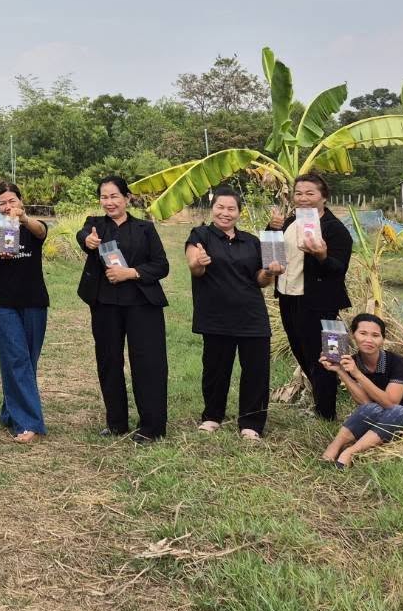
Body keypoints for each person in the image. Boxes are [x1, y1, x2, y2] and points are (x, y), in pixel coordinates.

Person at [77, 175, 170, 443]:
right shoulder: (94, 225)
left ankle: (152, 427)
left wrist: (131, 273)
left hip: (142, 304)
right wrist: (88, 241)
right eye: (104, 197)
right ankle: (116, 422)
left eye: (114, 196)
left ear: (127, 198)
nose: (109, 202)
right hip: (105, 305)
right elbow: (82, 236)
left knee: (148, 364)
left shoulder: (145, 228)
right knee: (109, 362)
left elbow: (161, 265)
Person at [185, 188, 278, 440]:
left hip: (252, 315)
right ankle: (212, 416)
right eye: (220, 207)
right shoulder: (200, 234)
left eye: (231, 209)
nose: (225, 213)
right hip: (215, 315)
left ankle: (251, 423)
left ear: (238, 212)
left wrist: (269, 272)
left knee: (256, 371)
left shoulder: (251, 241)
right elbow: (194, 267)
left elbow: (260, 280)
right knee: (216, 369)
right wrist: (199, 262)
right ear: (212, 208)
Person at [268, 173, 353, 421]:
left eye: (310, 193)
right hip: (288, 297)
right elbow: (270, 255)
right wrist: (271, 229)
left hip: (321, 304)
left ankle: (327, 412)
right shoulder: (290, 221)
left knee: (327, 357)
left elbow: (338, 271)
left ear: (324, 197)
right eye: (298, 193)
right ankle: (320, 403)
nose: (303, 198)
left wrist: (322, 256)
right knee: (302, 351)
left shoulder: (335, 230)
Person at [0, 182, 49, 444]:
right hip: (3, 303)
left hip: (34, 301)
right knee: (15, 358)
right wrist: (8, 228)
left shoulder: (34, 227)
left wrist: (21, 218)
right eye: (2, 202)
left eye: (12, 200)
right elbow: (0, 248)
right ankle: (28, 423)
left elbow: (41, 231)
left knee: (27, 360)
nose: (8, 205)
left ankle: (10, 412)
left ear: (21, 201)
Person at [320, 314, 403, 467]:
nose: (369, 340)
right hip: (381, 423)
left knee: (397, 411)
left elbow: (390, 403)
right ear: (353, 336)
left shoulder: (397, 362)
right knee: (370, 407)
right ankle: (334, 447)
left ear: (382, 339)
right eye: (363, 333)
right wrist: (341, 371)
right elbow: (365, 403)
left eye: (375, 335)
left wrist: (357, 374)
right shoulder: (353, 361)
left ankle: (350, 452)